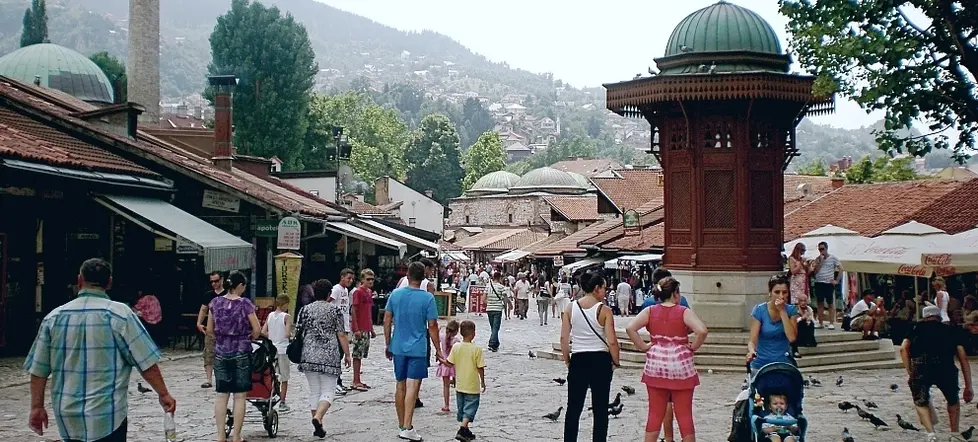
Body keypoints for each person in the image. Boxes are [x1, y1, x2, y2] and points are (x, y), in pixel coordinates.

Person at [25, 258, 176, 442]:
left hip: (68, 416)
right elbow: (146, 362)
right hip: (108, 414)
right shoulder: (120, 315)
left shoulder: (54, 318)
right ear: (109, 282)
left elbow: (38, 370)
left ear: (79, 280)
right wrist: (164, 394)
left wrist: (37, 407)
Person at [626, 277, 708, 442]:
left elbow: (630, 328)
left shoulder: (650, 311)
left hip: (656, 365)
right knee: (684, 414)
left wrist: (643, 346)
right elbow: (702, 331)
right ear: (675, 293)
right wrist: (693, 347)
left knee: (655, 413)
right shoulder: (683, 311)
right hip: (681, 366)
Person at [384, 261, 445, 442]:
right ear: (423, 277)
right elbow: (432, 325)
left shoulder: (395, 294)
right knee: (413, 387)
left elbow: (387, 319)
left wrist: (388, 343)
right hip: (418, 347)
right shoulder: (427, 298)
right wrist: (438, 350)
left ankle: (402, 424)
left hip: (398, 346)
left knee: (400, 384)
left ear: (407, 276)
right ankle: (408, 426)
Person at [560, 272, 620, 442]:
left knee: (573, 408)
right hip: (600, 360)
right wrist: (615, 361)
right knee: (600, 410)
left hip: (579, 358)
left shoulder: (571, 308)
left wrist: (568, 360)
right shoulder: (604, 310)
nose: (605, 292)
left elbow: (564, 338)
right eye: (604, 288)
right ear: (596, 289)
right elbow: (612, 341)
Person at [900, 305, 974, 442]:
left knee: (920, 401)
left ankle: (931, 434)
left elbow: (903, 348)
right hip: (945, 366)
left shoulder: (915, 328)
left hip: (921, 366)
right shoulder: (950, 330)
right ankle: (954, 433)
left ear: (924, 317)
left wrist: (909, 370)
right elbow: (962, 356)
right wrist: (968, 385)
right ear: (939, 317)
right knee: (953, 400)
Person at [207, 271, 261, 442]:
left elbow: (209, 330)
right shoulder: (245, 304)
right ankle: (236, 436)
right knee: (239, 396)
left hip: (221, 352)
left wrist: (221, 339)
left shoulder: (215, 303)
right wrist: (247, 337)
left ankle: (221, 436)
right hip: (241, 352)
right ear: (239, 286)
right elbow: (257, 329)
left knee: (222, 395)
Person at [298, 278, 352, 439]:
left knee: (315, 390)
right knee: (328, 390)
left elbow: (299, 331)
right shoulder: (335, 311)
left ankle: (318, 425)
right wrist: (347, 354)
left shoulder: (305, 310)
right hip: (329, 354)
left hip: (308, 353)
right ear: (329, 293)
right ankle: (318, 417)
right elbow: (341, 334)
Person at [748, 275, 799, 376]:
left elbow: (792, 338)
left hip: (783, 363)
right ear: (770, 293)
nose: (781, 296)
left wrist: (782, 311)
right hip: (761, 363)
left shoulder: (791, 310)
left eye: (784, 292)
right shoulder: (759, 310)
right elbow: (752, 340)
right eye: (777, 292)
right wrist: (751, 351)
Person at [445, 320, 486, 442]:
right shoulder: (477, 349)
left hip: (460, 384)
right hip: (472, 385)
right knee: (471, 407)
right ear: (473, 333)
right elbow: (480, 367)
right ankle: (463, 428)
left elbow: (449, 363)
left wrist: (441, 359)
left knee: (462, 408)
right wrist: (483, 381)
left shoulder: (456, 347)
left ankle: (466, 429)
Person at [262, 295, 293, 411]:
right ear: (285, 304)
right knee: (284, 377)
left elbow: (263, 331)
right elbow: (287, 333)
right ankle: (283, 401)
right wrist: (291, 336)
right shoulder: (286, 317)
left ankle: (270, 398)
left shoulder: (270, 315)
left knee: (272, 375)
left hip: (271, 350)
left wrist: (272, 336)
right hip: (283, 349)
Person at [198, 271, 227, 389]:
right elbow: (203, 309)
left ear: (222, 280)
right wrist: (199, 323)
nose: (214, 284)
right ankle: (209, 379)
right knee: (209, 353)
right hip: (211, 329)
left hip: (225, 330)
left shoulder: (228, 294)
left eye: (216, 281)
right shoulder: (208, 295)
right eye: (212, 282)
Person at [349, 269, 377, 391]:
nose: (370, 281)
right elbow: (354, 310)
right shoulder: (358, 292)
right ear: (362, 280)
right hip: (359, 328)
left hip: (366, 327)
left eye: (372, 279)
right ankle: (355, 380)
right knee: (357, 355)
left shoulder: (369, 292)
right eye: (368, 279)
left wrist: (371, 329)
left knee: (361, 355)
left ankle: (358, 379)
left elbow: (368, 311)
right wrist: (356, 328)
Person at [330, 268, 355, 395]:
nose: (350, 281)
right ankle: (335, 382)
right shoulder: (336, 289)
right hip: (336, 327)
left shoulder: (346, 290)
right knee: (336, 355)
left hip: (344, 326)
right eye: (348, 278)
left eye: (352, 278)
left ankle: (338, 381)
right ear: (342, 277)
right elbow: (328, 301)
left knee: (340, 355)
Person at [811, 242, 842, 329]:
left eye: (822, 249)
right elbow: (815, 271)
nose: (821, 251)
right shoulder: (817, 259)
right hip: (819, 282)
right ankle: (820, 322)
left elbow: (841, 269)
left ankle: (831, 322)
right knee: (820, 303)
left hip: (828, 283)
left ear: (826, 248)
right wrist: (820, 262)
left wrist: (837, 280)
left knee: (830, 303)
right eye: (819, 249)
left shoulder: (833, 258)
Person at [437, 320, 461, 412]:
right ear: (456, 331)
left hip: (444, 364)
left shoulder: (442, 337)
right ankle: (460, 404)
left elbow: (436, 335)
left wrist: (440, 327)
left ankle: (446, 405)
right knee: (458, 385)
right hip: (453, 364)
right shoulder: (456, 341)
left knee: (445, 386)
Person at [485, 271, 507, 352]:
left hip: (489, 309)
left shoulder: (488, 286)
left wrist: (490, 303)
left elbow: (484, 299)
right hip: (497, 309)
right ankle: (492, 343)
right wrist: (508, 305)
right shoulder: (501, 287)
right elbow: (504, 297)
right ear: (499, 278)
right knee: (495, 327)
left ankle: (496, 344)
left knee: (493, 328)